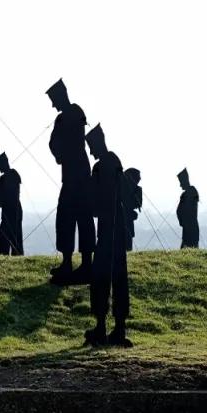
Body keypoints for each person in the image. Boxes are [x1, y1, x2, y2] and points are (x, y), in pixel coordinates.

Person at [83, 125, 132, 348]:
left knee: (103, 276)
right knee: (117, 276)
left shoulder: (103, 166)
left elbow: (96, 201)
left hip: (107, 227)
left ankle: (104, 327)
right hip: (116, 226)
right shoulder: (114, 163)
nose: (91, 151)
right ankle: (117, 327)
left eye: (91, 146)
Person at [47, 79, 94, 284]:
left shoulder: (74, 112)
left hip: (79, 174)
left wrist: (61, 152)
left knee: (82, 217)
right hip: (71, 172)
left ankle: (86, 264)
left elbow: (69, 140)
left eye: (54, 99)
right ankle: (67, 263)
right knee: (65, 217)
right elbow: (53, 142)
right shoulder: (63, 117)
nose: (53, 105)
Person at [0, 153, 23, 256]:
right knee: (10, 236)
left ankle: (11, 255)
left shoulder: (10, 176)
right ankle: (14, 255)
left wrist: (1, 201)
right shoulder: (12, 176)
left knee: (10, 236)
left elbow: (0, 194)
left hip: (12, 211)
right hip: (12, 210)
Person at [176, 168, 200, 249]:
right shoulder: (191, 192)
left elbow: (181, 210)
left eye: (181, 182)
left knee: (188, 247)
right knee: (190, 247)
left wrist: (182, 221)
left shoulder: (189, 193)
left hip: (190, 226)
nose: (180, 185)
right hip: (189, 226)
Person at [123, 168, 143, 251]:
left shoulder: (137, 189)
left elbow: (138, 204)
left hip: (128, 216)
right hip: (124, 216)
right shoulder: (124, 188)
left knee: (128, 238)